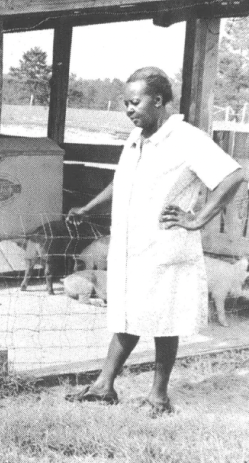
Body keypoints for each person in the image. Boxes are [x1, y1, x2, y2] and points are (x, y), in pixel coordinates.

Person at [64, 67, 245, 416]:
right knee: (128, 312)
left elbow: (232, 175)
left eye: (135, 102)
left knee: (165, 318)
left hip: (166, 245)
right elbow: (123, 181)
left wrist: (198, 219)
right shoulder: (137, 137)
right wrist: (89, 208)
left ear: (158, 101)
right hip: (131, 245)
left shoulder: (187, 138)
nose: (128, 110)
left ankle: (158, 397)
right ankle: (104, 385)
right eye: (126, 103)